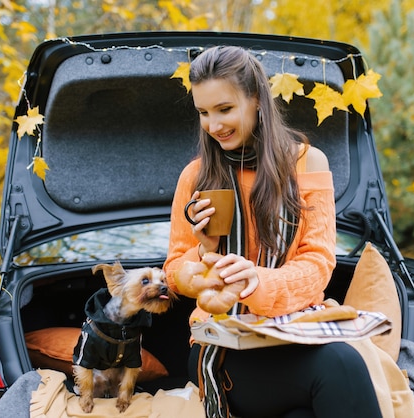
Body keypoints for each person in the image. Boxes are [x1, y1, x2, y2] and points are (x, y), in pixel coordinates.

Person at [164, 45, 383, 418]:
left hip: (294, 329)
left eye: (224, 109)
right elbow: (173, 270)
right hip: (221, 343)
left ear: (256, 100)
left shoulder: (307, 163)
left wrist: (256, 282)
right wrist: (204, 257)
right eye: (203, 112)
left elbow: (317, 262)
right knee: (340, 366)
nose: (213, 126)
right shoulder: (196, 175)